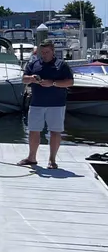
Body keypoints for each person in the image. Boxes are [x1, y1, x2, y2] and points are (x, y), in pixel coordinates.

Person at [19, 39, 74, 169]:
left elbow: (70, 82)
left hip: (56, 104)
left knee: (55, 131)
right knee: (33, 130)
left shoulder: (61, 65)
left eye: (47, 52)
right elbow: (23, 79)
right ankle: (31, 158)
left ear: (53, 51)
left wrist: (53, 83)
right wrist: (32, 79)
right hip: (37, 103)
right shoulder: (33, 64)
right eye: (42, 52)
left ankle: (52, 160)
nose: (44, 55)